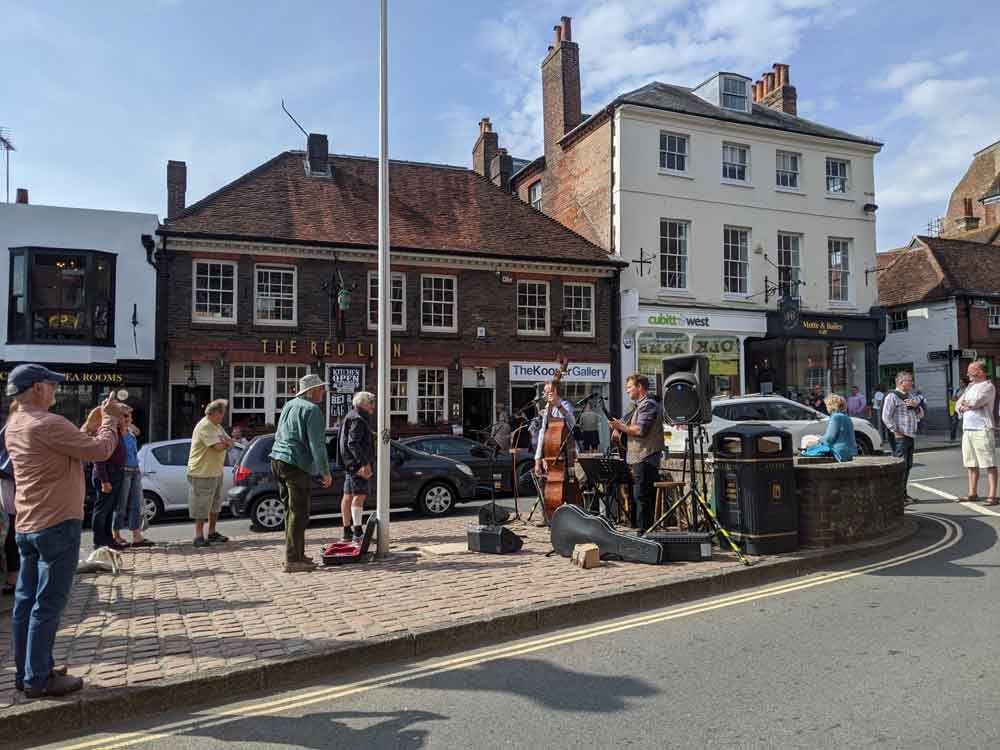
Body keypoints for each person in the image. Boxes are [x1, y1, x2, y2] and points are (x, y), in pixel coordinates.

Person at [5, 363, 125, 698]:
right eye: (52, 385)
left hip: (28, 523)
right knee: (49, 603)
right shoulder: (48, 423)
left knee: (26, 602)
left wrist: (88, 426)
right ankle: (39, 678)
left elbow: (68, 447)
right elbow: (100, 450)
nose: (55, 391)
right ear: (38, 388)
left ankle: (28, 669)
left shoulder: (15, 423)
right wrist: (112, 420)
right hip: (56, 523)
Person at [271, 375, 333, 572]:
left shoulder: (290, 405)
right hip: (295, 463)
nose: (323, 392)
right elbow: (318, 444)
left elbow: (279, 432)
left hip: (277, 459)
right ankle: (292, 559)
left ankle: (297, 553)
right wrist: (325, 472)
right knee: (300, 512)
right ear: (313, 391)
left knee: (291, 511)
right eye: (321, 389)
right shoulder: (312, 410)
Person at [609, 374, 665, 534]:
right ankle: (638, 531)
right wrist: (618, 426)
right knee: (637, 497)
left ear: (640, 387)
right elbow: (629, 427)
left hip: (646, 458)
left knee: (642, 498)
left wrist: (621, 427)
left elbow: (640, 430)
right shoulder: (637, 406)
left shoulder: (648, 405)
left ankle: (645, 534)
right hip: (636, 458)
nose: (627, 391)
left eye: (629, 387)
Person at [186, 399, 235, 548]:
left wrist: (226, 442)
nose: (223, 417)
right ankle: (198, 535)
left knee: (215, 504)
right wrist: (225, 443)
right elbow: (219, 447)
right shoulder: (205, 426)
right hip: (202, 472)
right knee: (201, 505)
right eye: (221, 414)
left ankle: (212, 532)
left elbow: (230, 443)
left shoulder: (217, 426)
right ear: (213, 413)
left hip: (215, 470)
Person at [955, 361, 997, 505]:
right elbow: (957, 404)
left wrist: (967, 404)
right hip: (967, 430)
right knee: (970, 464)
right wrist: (964, 405)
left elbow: (976, 402)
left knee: (989, 464)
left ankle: (992, 496)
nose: (967, 374)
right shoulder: (970, 387)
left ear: (980, 371)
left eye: (970, 371)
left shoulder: (988, 386)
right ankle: (972, 493)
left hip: (982, 429)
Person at [338, 391, 375, 544]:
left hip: (349, 464)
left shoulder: (350, 415)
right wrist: (364, 463)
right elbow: (353, 443)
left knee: (347, 497)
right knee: (359, 497)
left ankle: (347, 532)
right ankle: (357, 532)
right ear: (365, 404)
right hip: (356, 465)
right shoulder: (359, 419)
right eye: (372, 403)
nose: (374, 406)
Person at [882, 371, 922, 502]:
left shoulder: (911, 396)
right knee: (900, 466)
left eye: (911, 380)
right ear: (901, 382)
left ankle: (903, 494)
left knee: (908, 465)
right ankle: (896, 495)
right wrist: (895, 431)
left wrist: (916, 407)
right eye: (909, 381)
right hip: (900, 436)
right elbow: (886, 416)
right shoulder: (892, 397)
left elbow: (921, 415)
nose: (912, 383)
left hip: (910, 435)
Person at [92, 413, 128, 549]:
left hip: (116, 473)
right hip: (107, 474)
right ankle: (99, 541)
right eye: (124, 417)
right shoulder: (105, 432)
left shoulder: (117, 432)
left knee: (109, 509)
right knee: (102, 510)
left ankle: (108, 539)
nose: (127, 420)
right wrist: (104, 481)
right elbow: (99, 458)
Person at [118, 409, 152, 547]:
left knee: (136, 504)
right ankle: (116, 534)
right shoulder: (116, 434)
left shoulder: (130, 433)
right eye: (125, 416)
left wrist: (128, 424)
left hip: (135, 470)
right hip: (123, 471)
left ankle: (136, 535)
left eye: (129, 416)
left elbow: (138, 432)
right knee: (121, 505)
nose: (128, 419)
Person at [534, 378, 577, 479]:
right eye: (544, 391)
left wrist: (558, 406)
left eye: (546, 391)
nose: (544, 394)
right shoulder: (547, 408)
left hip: (566, 456)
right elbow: (542, 433)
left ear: (554, 391)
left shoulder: (565, 405)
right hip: (550, 456)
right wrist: (538, 459)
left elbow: (572, 422)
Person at [2, 401, 21, 595]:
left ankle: (14, 575)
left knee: (15, 527)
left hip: (12, 482)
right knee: (15, 527)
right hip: (13, 482)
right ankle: (14, 575)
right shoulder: (14, 429)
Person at [818, 394, 857, 462]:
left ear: (831, 405)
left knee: (809, 444)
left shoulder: (835, 417)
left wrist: (818, 440)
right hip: (849, 452)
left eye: (827, 405)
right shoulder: (847, 417)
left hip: (839, 451)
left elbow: (829, 438)